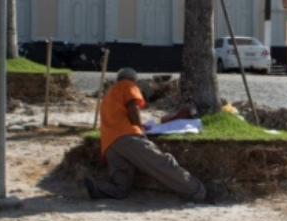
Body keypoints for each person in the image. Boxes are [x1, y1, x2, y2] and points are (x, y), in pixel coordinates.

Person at [84, 68, 219, 203]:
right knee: (163, 164)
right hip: (127, 137)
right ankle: (199, 193)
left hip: (109, 145)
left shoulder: (108, 96)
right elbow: (132, 106)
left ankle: (93, 186)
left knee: (120, 189)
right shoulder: (128, 85)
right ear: (132, 80)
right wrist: (140, 127)